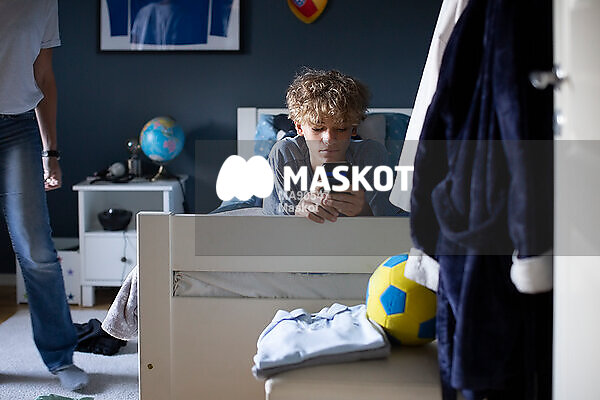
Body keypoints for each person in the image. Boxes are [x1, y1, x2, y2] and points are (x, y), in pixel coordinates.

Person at [0, 0, 88, 391]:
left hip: (17, 127)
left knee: (36, 249)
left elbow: (44, 76)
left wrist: (50, 152)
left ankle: (60, 357)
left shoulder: (42, 2)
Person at [263, 69, 400, 223]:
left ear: (354, 129)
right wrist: (297, 216)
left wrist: (364, 211)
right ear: (299, 127)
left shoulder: (372, 154)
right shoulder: (284, 153)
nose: (329, 139)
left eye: (341, 129)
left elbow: (387, 226)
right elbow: (270, 224)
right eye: (317, 128)